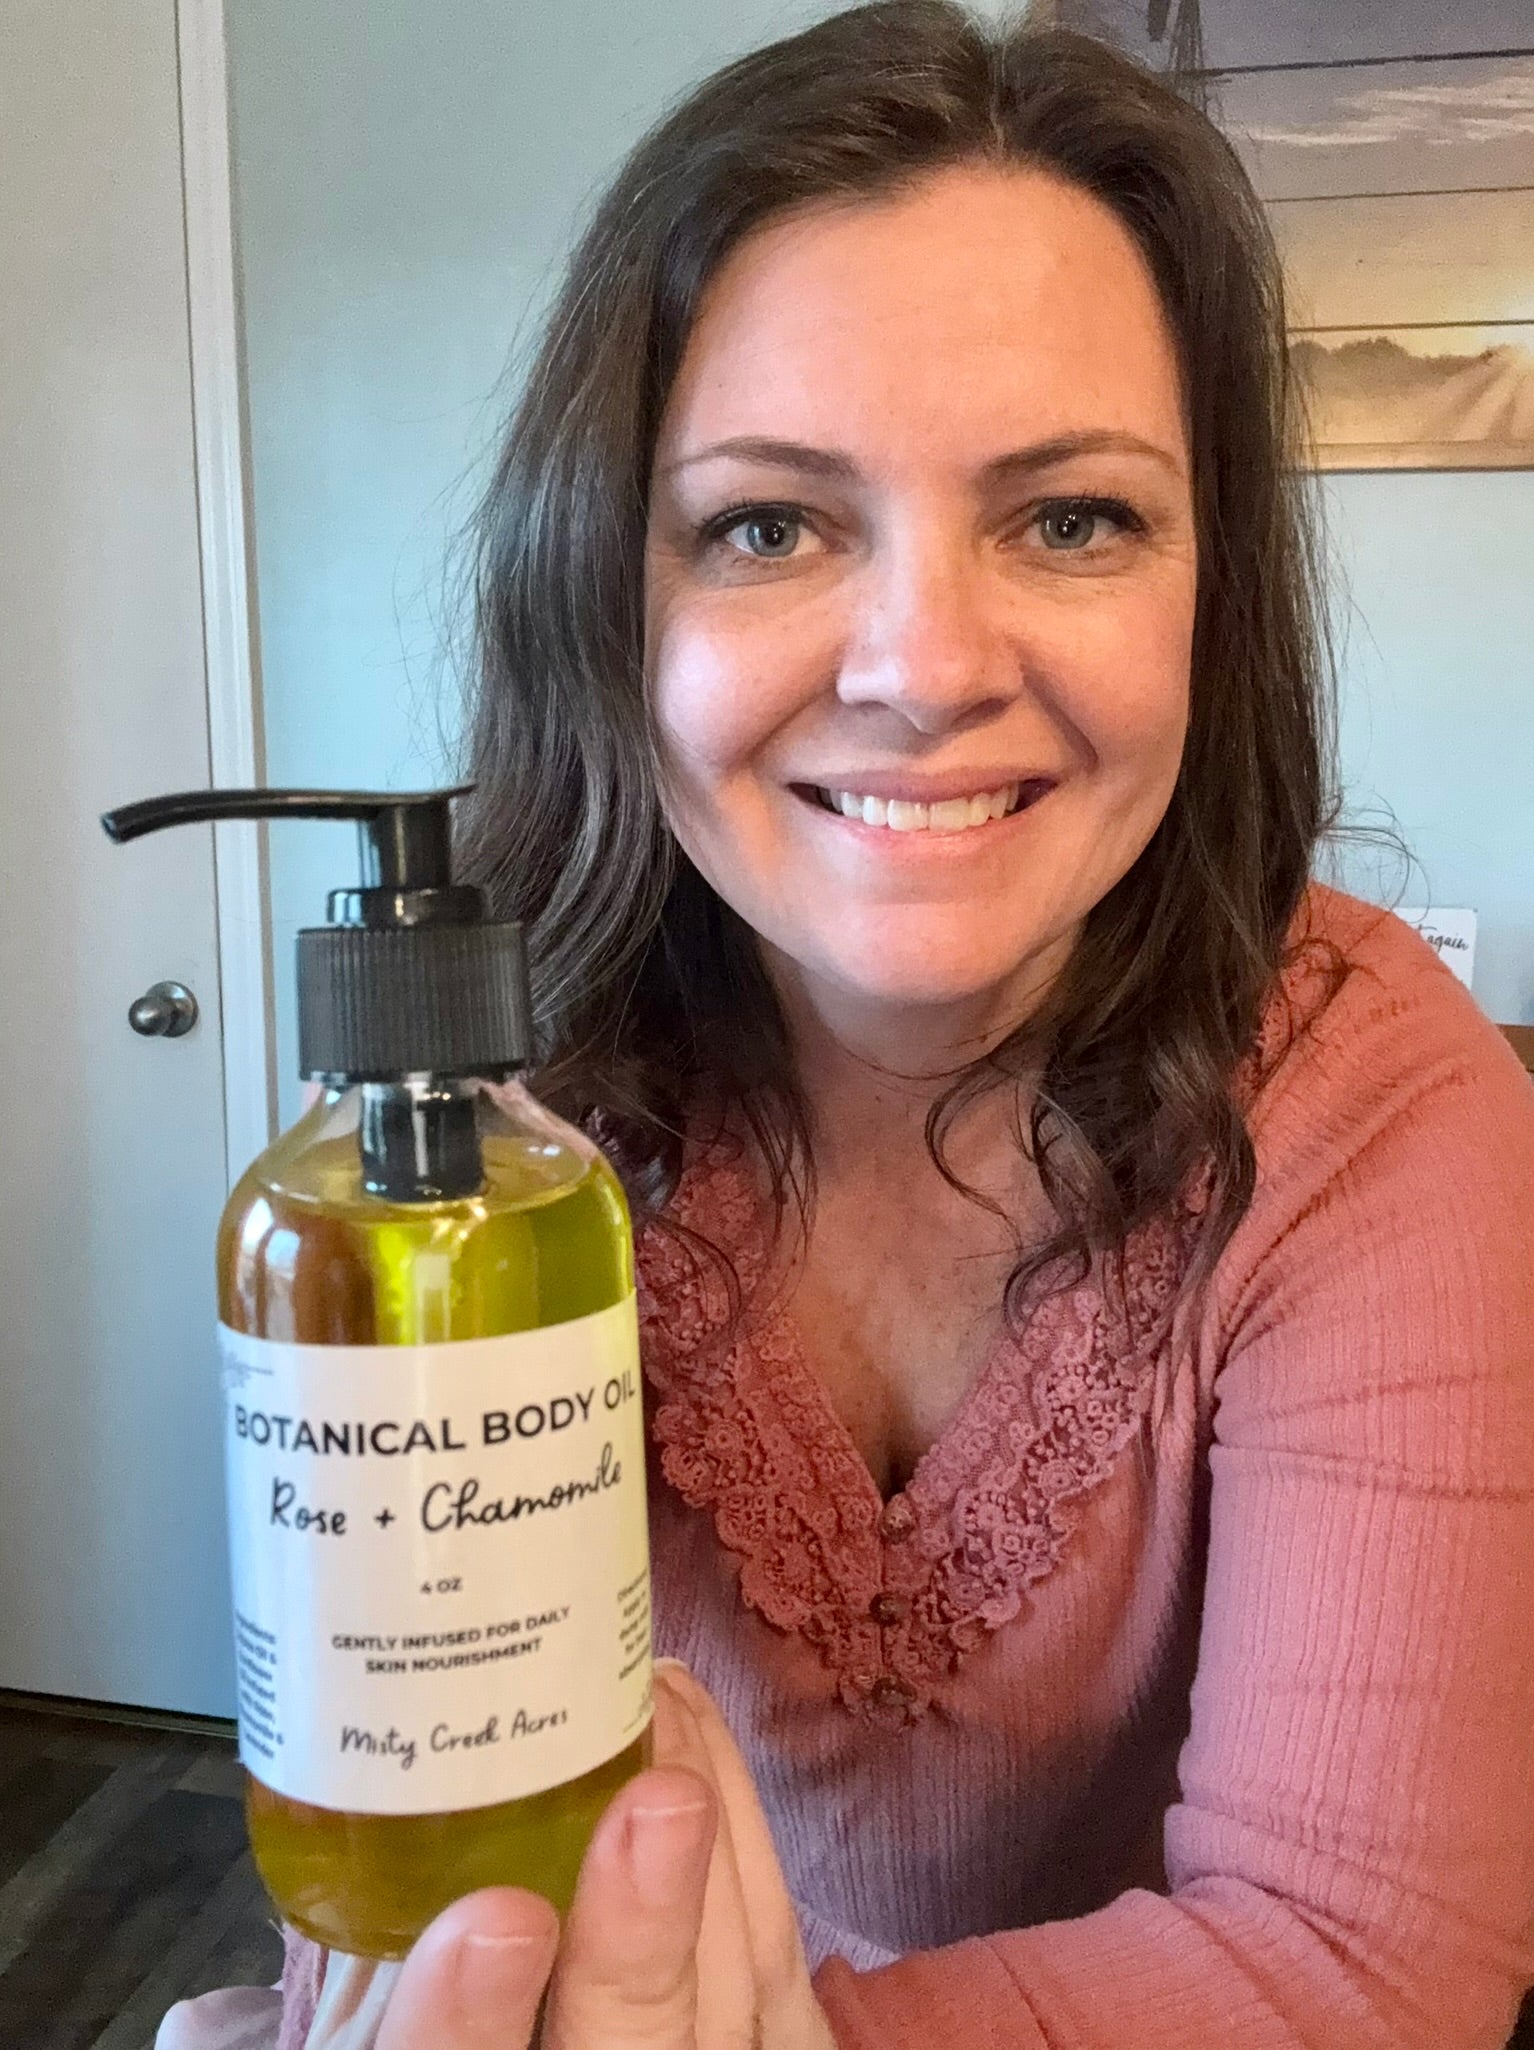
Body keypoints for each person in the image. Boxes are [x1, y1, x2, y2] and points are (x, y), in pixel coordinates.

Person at [160, 5, 1534, 2047]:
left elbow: (1353, 1965)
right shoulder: (469, 1143)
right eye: (766, 522)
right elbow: (420, 1824)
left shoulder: (1377, 1093)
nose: (919, 667)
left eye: (1068, 516)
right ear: (606, 599)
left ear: (1206, 592)